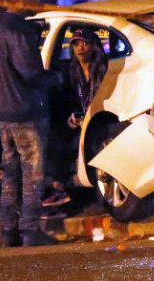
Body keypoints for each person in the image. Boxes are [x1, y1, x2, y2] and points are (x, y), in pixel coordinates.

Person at [0, 0, 63, 247]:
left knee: (11, 174)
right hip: (26, 111)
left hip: (2, 113)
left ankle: (8, 232)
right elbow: (30, 73)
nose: (36, 2)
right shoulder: (20, 31)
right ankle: (30, 231)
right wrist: (56, 79)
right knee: (33, 174)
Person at [43, 28, 108, 207]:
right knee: (58, 136)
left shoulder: (103, 68)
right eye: (76, 43)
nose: (80, 48)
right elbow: (69, 99)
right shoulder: (71, 71)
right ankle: (59, 189)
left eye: (85, 43)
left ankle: (103, 193)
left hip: (99, 118)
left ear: (94, 46)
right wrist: (72, 117)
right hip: (80, 119)